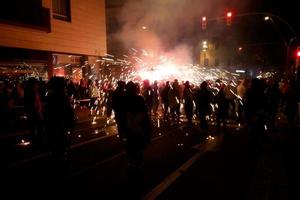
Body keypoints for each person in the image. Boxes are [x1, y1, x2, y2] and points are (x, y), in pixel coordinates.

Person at [124, 81, 151, 182]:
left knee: (131, 147)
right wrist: (147, 130)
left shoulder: (125, 99)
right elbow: (144, 114)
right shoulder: (139, 99)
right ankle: (138, 166)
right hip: (138, 128)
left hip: (130, 129)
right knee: (138, 148)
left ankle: (132, 165)